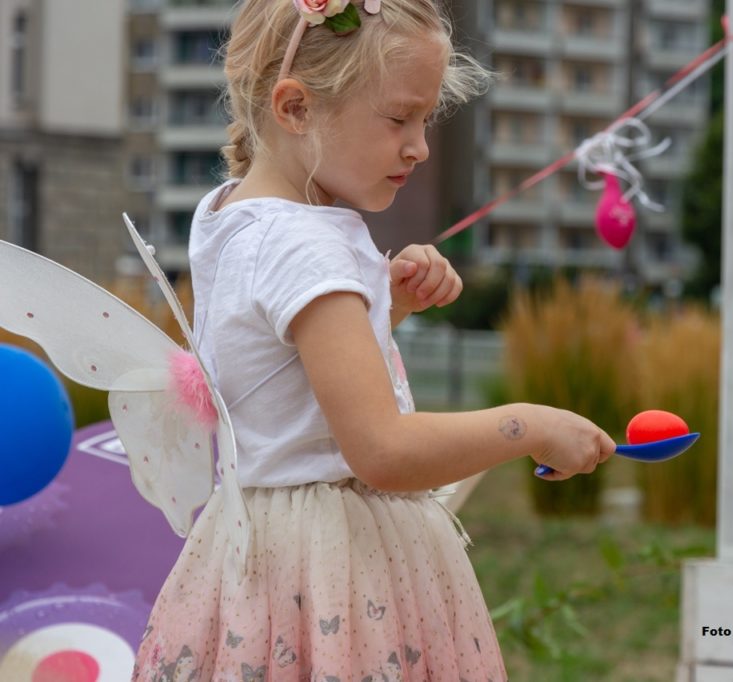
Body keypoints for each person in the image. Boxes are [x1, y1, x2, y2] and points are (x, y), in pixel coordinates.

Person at [132, 1, 617, 680]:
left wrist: (381, 317)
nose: (419, 146)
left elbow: (279, 387)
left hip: (255, 560)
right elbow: (382, 452)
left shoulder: (228, 217)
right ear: (295, 108)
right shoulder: (308, 244)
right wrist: (530, 426)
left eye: (425, 120)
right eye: (398, 118)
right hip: (336, 571)